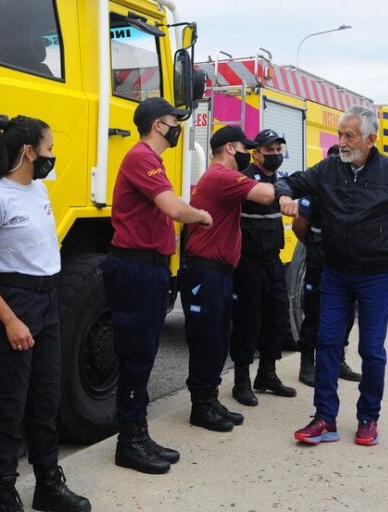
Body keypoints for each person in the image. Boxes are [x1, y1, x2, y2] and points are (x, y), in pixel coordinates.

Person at [277, 105, 388, 446]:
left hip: (377, 276)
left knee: (371, 350)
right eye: (340, 134)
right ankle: (324, 417)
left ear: (370, 140)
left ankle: (368, 418)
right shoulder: (329, 169)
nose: (341, 141)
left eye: (349, 136)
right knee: (327, 342)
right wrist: (284, 195)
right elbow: (290, 180)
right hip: (337, 274)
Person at [0, 116, 90, 512]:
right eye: (49, 148)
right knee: (10, 407)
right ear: (29, 152)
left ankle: (49, 484)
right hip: (15, 302)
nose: (53, 156)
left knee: (45, 400)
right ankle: (3, 491)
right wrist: (9, 320)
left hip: (47, 301)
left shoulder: (37, 190)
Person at [100, 97, 213, 475]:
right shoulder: (141, 158)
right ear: (156, 125)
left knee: (144, 354)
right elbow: (175, 209)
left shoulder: (151, 160)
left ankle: (138, 432)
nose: (177, 126)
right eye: (172, 120)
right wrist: (202, 215)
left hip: (148, 270)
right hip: (135, 270)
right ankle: (128, 442)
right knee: (135, 355)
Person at [180, 126, 275, 432]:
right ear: (231, 148)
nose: (250, 152)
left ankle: (210, 399)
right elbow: (264, 194)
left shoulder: (221, 178)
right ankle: (201, 406)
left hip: (217, 273)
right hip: (205, 272)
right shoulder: (221, 176)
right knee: (207, 340)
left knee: (218, 339)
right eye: (246, 147)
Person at [230, 129, 297, 408]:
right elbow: (269, 196)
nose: (275, 155)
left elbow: (286, 190)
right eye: (269, 151)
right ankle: (241, 381)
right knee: (248, 321)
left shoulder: (279, 180)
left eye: (279, 150)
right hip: (248, 263)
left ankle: (267, 374)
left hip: (273, 260)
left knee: (277, 317)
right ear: (255, 153)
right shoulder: (246, 178)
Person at [293, 145, 361, 387]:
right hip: (320, 263)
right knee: (314, 313)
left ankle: (339, 359)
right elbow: (299, 225)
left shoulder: (352, 191)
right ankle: (307, 363)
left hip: (346, 265)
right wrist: (314, 249)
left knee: (346, 314)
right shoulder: (316, 191)